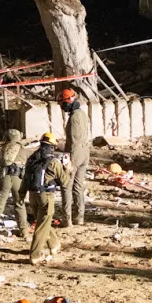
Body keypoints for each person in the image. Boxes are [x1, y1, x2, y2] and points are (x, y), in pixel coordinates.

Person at [23, 132, 68, 261]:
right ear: (52, 147)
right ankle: (35, 255)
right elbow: (65, 181)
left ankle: (54, 245)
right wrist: (67, 168)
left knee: (44, 222)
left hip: (32, 195)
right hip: (46, 196)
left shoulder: (32, 158)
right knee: (41, 226)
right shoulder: (53, 162)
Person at [59, 85, 94, 226]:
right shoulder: (82, 114)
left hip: (76, 153)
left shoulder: (74, 118)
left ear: (68, 101)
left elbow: (74, 140)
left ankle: (66, 219)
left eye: (62, 103)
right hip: (85, 152)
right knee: (78, 187)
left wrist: (69, 162)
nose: (62, 107)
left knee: (66, 185)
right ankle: (79, 217)